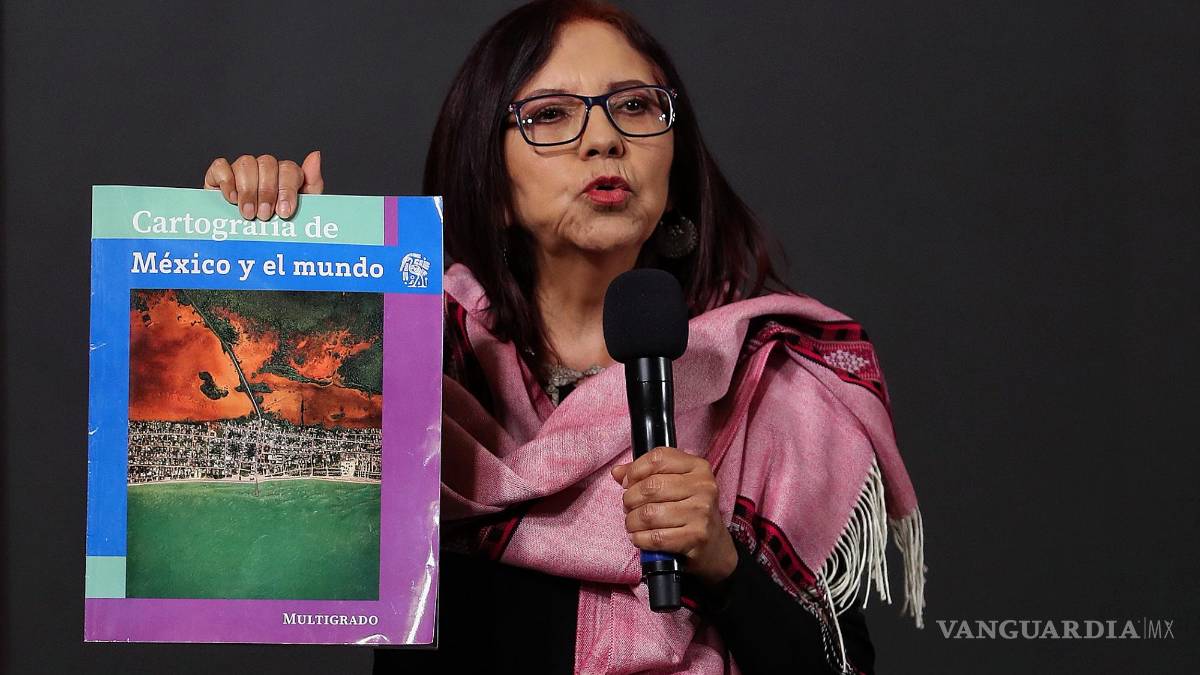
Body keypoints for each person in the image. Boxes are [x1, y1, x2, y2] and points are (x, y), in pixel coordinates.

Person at [201, 1, 925, 672]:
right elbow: (265, 534)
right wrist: (276, 260)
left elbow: (845, 664)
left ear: (674, 165)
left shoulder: (769, 380)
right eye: (550, 115)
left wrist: (722, 562)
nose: (605, 139)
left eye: (635, 106)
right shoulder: (416, 360)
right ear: (492, 180)